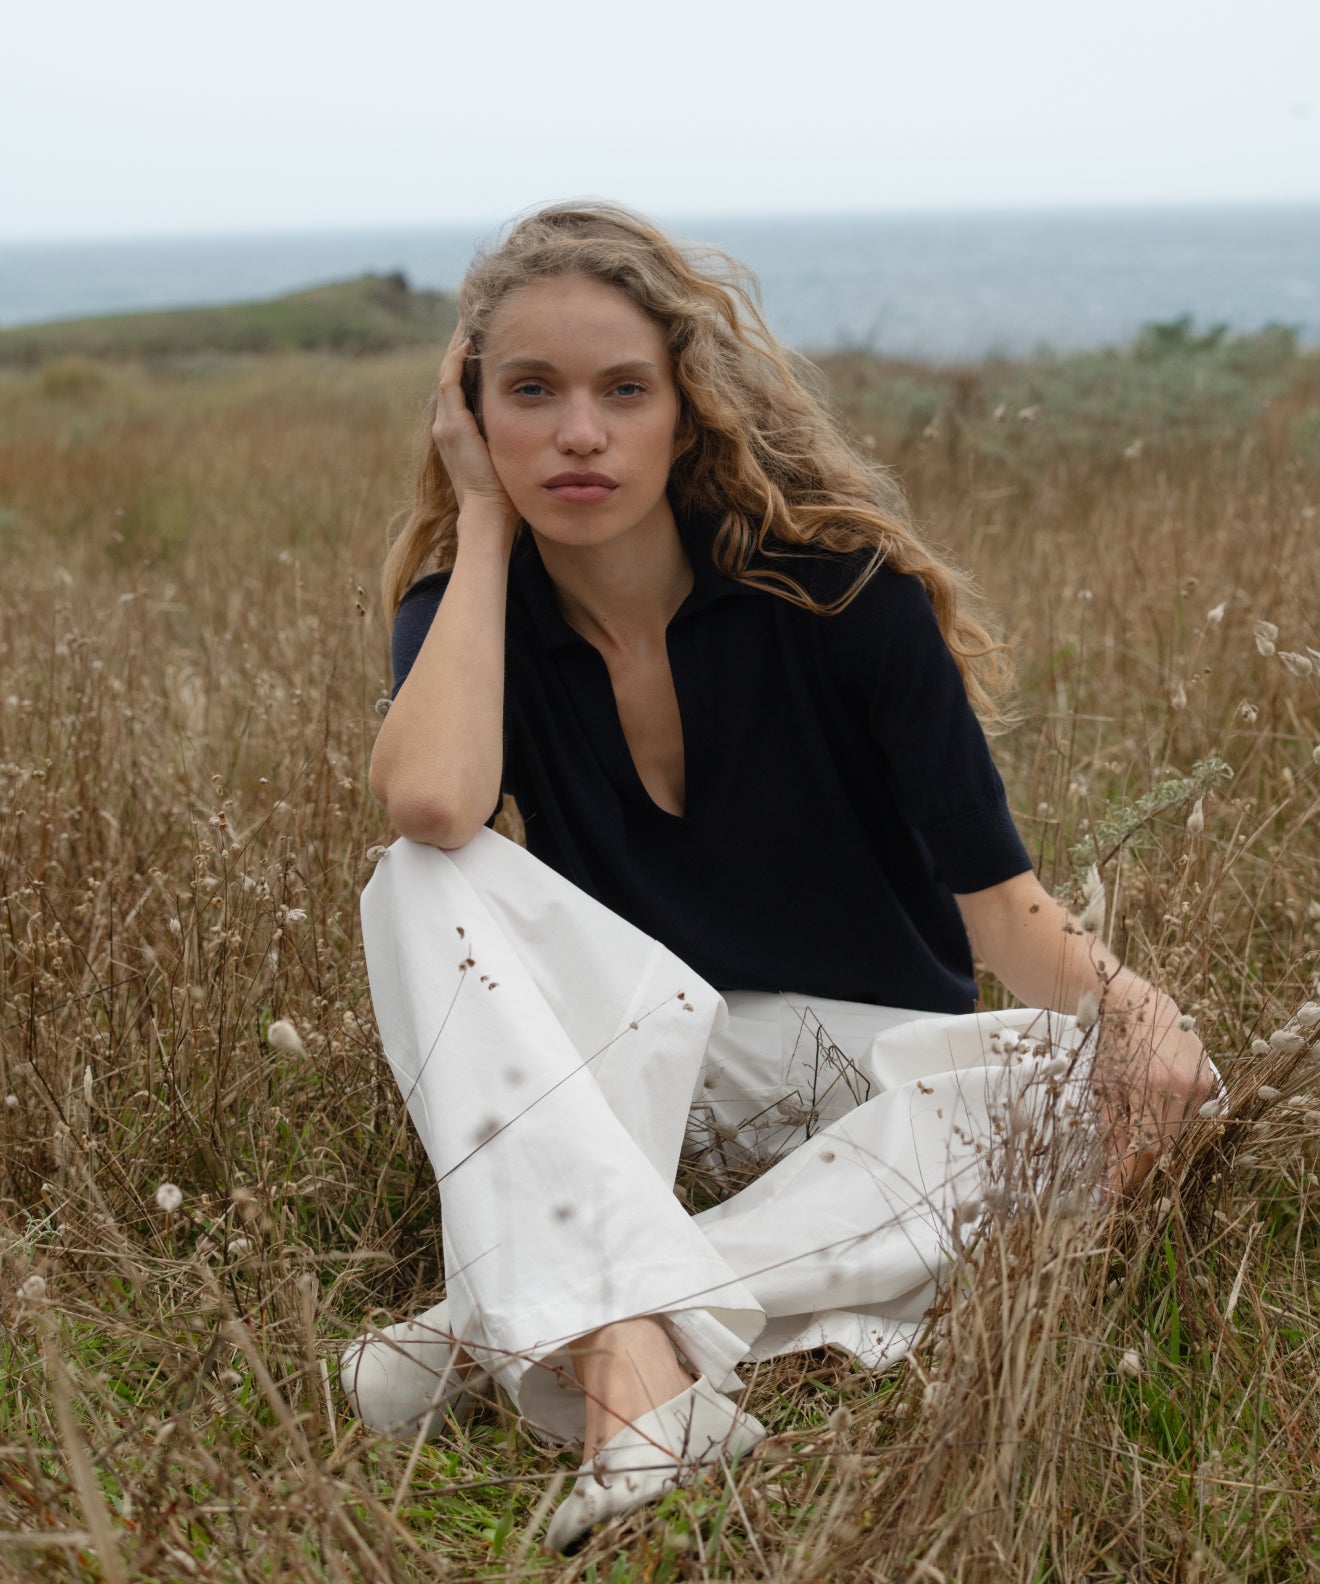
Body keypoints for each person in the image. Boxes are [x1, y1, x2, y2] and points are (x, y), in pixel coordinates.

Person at [339, 203, 1215, 1552]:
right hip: (640, 1079)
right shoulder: (466, 615)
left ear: (685, 408)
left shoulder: (844, 595)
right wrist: (483, 520)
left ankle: (521, 1326)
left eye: (623, 390)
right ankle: (638, 1375)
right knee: (416, 877)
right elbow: (436, 804)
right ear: (472, 414)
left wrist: (1144, 1022)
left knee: (1085, 1090)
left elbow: (1001, 911)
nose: (579, 433)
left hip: (870, 1067)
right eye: (531, 393)